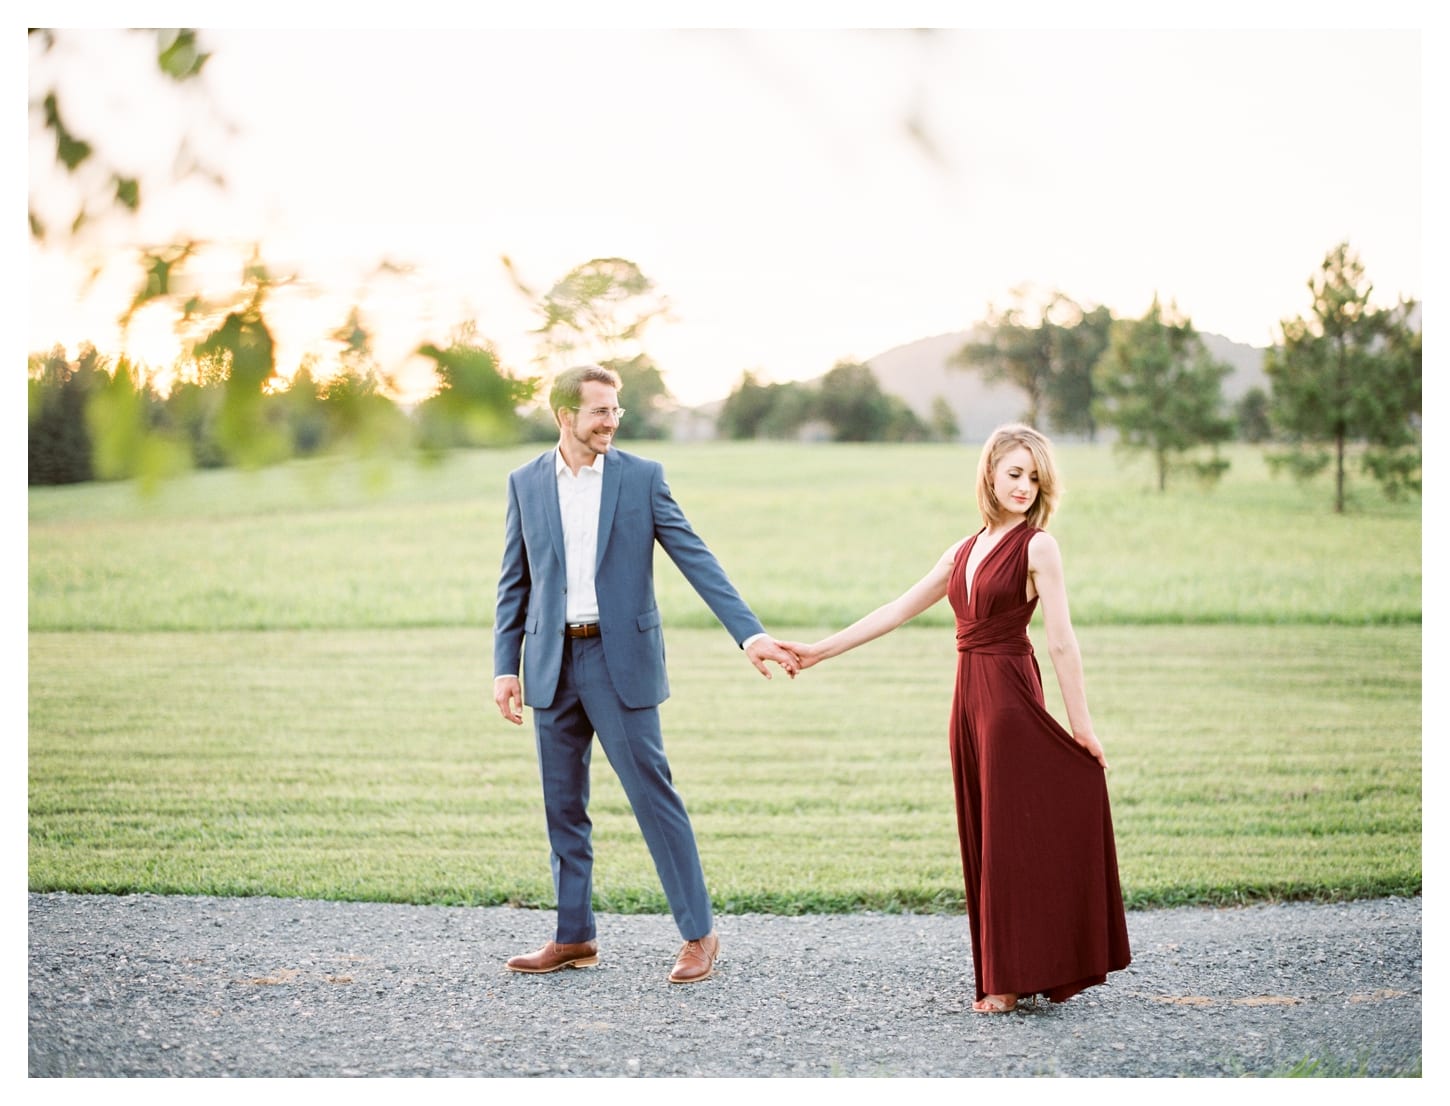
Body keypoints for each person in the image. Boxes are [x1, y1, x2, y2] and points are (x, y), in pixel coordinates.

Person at [782, 424, 1131, 1013]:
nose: (1024, 487)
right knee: (985, 832)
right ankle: (1010, 968)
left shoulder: (1038, 546)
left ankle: (1009, 980)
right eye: (1015, 473)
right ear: (990, 473)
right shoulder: (962, 551)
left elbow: (1063, 643)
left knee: (1010, 836)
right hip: (968, 700)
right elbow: (895, 610)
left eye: (1035, 478)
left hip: (1010, 701)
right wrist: (818, 651)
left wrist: (1083, 728)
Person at [493, 363, 800, 985]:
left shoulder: (641, 479)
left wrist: (750, 633)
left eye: (616, 410)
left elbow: (696, 557)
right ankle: (573, 936)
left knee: (654, 800)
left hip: (619, 664)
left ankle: (698, 935)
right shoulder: (525, 484)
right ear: (564, 416)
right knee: (563, 809)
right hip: (550, 665)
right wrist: (505, 667)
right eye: (599, 410)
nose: (611, 421)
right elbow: (514, 582)